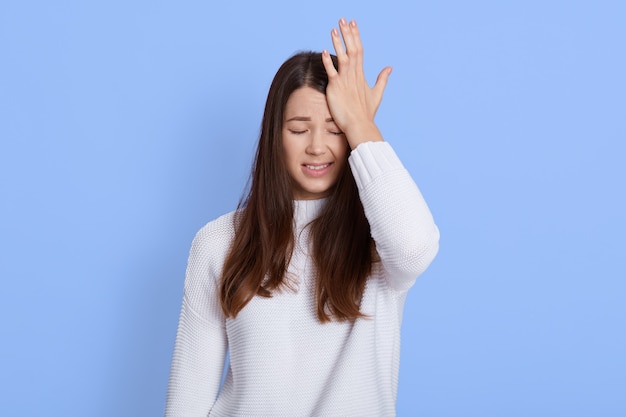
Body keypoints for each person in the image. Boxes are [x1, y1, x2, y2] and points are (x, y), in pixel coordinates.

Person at [165, 17, 440, 417]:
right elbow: (187, 400)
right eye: (298, 129)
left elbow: (416, 248)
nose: (317, 147)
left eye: (335, 129)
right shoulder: (219, 242)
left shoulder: (379, 238)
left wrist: (362, 124)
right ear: (274, 136)